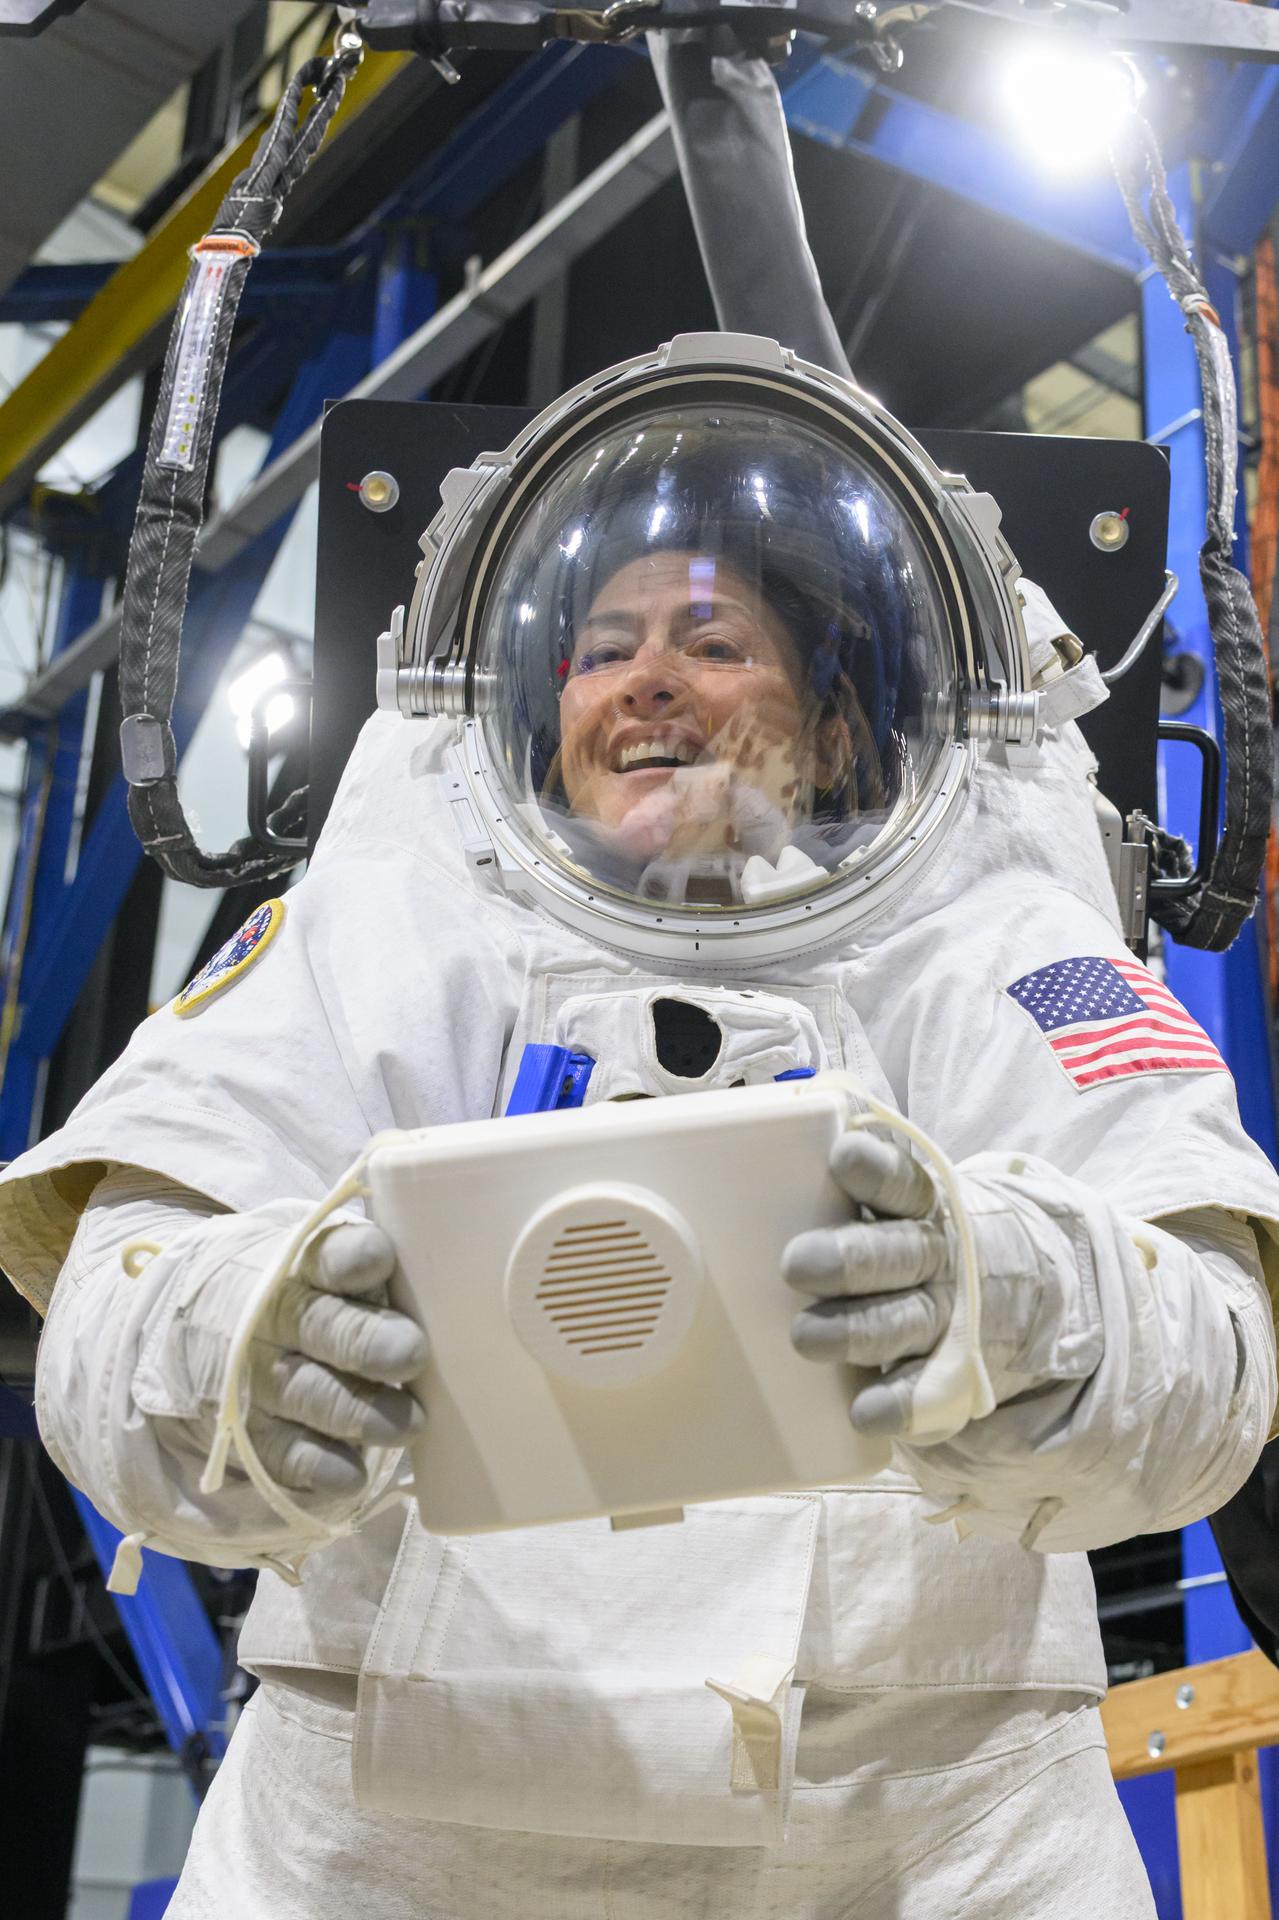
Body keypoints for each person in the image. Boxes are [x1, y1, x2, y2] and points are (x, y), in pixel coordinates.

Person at [4, 339, 1278, 1918]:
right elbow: (123, 1294)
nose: (646, 678)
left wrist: (1013, 1297)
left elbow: (1217, 1357)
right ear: (540, 709)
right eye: (602, 646)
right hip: (390, 1831)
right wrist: (239, 1346)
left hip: (921, 1829)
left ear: (828, 718)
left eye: (713, 640)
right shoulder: (391, 930)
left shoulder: (1003, 945)